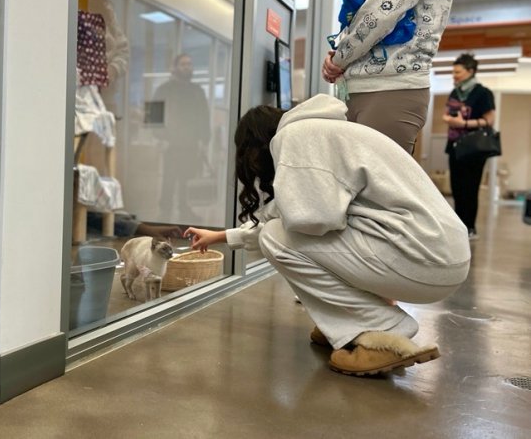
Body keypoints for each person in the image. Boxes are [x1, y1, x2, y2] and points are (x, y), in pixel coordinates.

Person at [184, 94, 470, 376]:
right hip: (436, 254)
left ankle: (381, 333)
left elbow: (311, 219)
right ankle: (345, 322)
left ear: (254, 145)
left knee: (275, 237)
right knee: (282, 233)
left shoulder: (296, 136)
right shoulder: (325, 132)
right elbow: (308, 216)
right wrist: (220, 236)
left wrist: (275, 213)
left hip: (422, 257)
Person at [322, 0, 456, 154]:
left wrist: (338, 61)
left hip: (392, 87)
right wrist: (337, 55)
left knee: (379, 181)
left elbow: (381, 14)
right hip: (355, 88)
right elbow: (359, 18)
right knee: (354, 180)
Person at [443, 53, 496, 240]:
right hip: (455, 146)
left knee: (470, 189)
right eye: (453, 72)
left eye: (458, 72)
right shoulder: (455, 92)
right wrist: (449, 120)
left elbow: (489, 120)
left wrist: (464, 124)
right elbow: (449, 113)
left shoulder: (483, 93)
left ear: (470, 71)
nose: (454, 75)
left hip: (474, 148)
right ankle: (459, 226)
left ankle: (470, 227)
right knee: (457, 189)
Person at [152, 54, 210, 220]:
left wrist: (204, 140)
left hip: (191, 143)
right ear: (175, 67)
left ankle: (185, 209)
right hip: (170, 143)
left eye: (190, 64)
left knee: (187, 177)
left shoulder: (197, 91)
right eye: (183, 64)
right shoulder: (163, 89)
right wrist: (160, 137)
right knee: (168, 179)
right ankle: (165, 211)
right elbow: (154, 116)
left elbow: (204, 117)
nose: (187, 67)